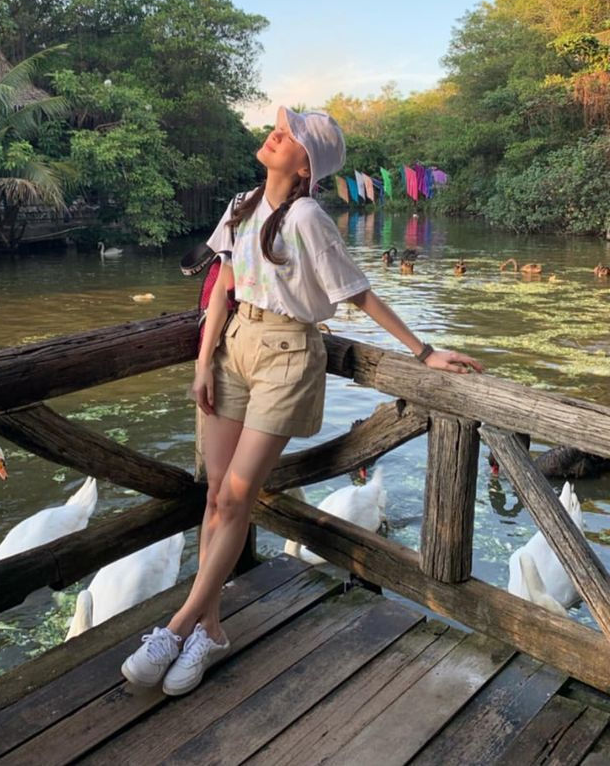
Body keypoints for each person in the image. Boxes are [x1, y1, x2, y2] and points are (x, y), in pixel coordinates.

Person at [121, 105, 483, 696]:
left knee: (238, 494)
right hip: (233, 349)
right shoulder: (240, 205)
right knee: (215, 495)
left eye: (289, 135)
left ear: (307, 161)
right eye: (279, 127)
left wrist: (424, 352)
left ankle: (178, 622)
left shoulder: (310, 216)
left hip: (289, 353)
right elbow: (223, 289)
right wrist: (202, 362)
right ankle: (209, 629)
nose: (275, 133)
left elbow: (357, 292)